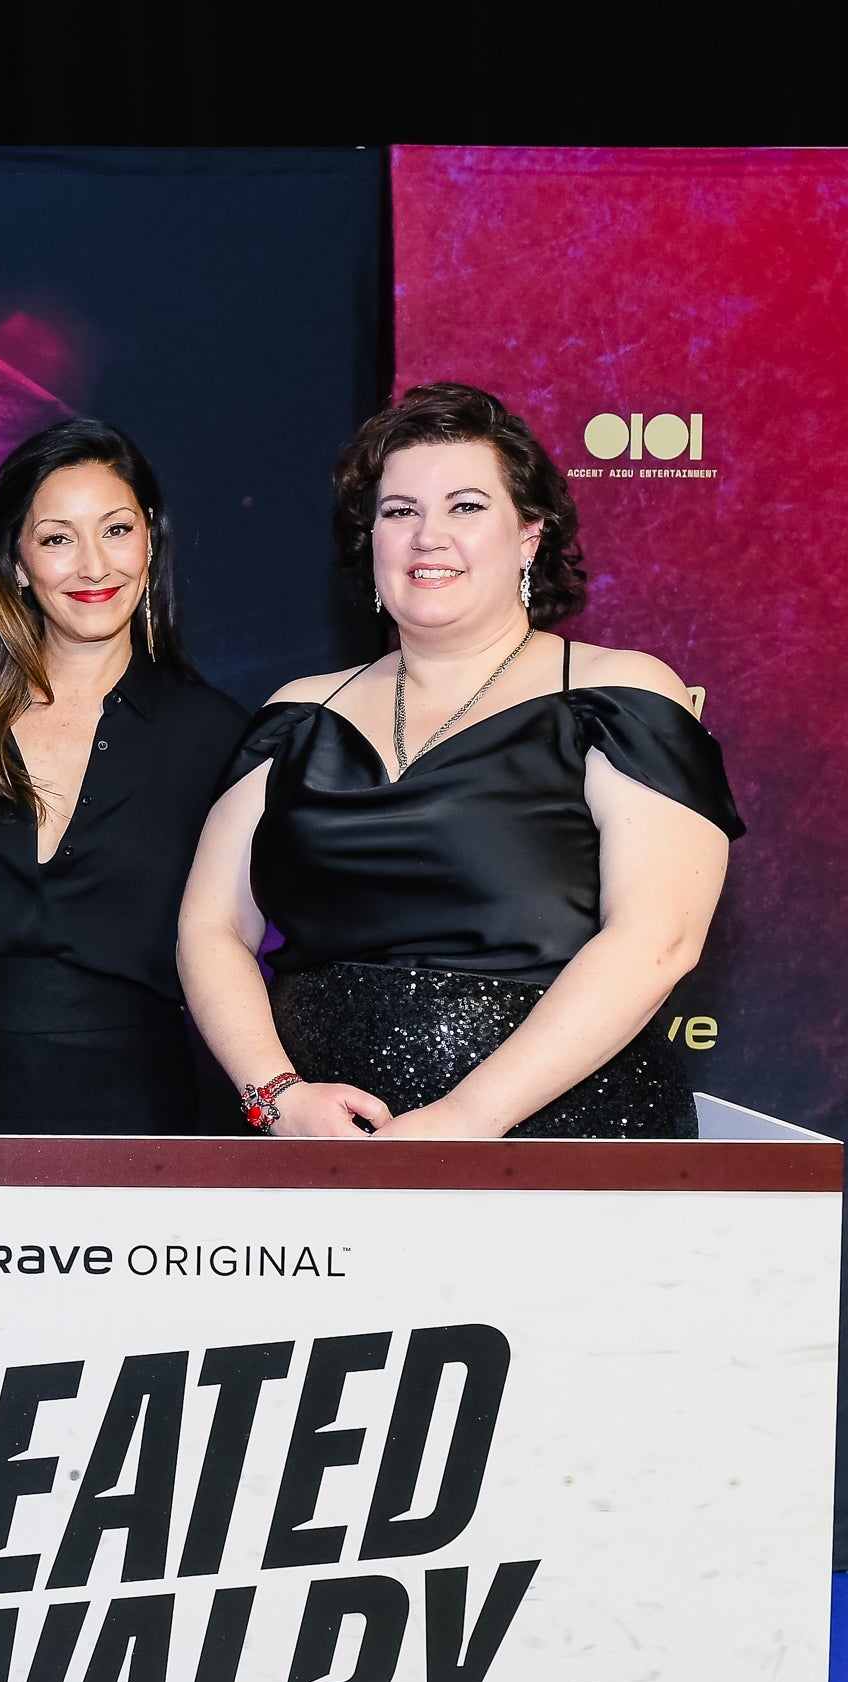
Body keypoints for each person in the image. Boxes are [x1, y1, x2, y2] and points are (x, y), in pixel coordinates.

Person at [177, 382, 740, 1139]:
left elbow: (657, 939)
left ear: (529, 535)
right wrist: (277, 1097)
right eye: (399, 511)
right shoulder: (295, 715)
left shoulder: (620, 696)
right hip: (321, 1150)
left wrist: (466, 1119)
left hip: (564, 1142)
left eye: (465, 507)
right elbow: (210, 927)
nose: (427, 537)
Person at [0, 420, 248, 1135]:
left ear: (150, 542)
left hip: (141, 1106)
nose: (93, 565)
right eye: (57, 539)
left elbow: (231, 938)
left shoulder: (215, 735)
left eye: (116, 530)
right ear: (17, 562)